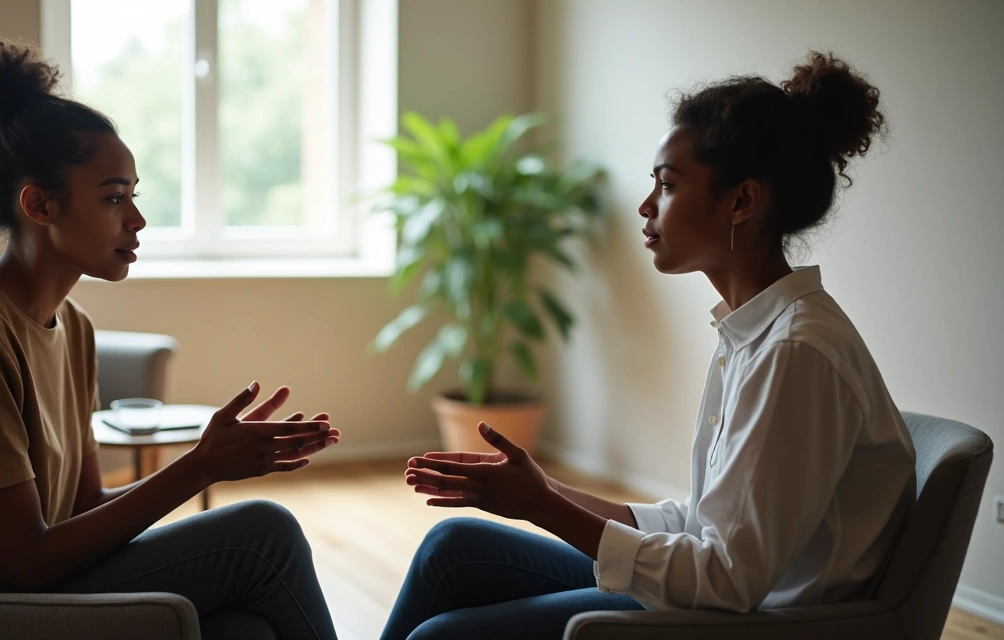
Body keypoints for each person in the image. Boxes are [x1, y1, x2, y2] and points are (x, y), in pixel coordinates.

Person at [382, 51, 915, 640]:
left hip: (754, 624)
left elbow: (727, 581)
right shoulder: (756, 333)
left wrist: (541, 507)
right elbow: (700, 522)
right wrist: (543, 487)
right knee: (453, 546)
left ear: (741, 202)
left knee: (441, 636)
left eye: (668, 184)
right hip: (718, 600)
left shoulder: (796, 351)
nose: (645, 205)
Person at [0, 42, 340, 640]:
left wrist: (215, 461)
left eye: (133, 196)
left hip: (44, 584)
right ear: (39, 204)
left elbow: (86, 506)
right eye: (114, 198)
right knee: (262, 536)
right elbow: (28, 560)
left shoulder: (73, 325)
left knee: (246, 627)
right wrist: (200, 467)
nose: (137, 220)